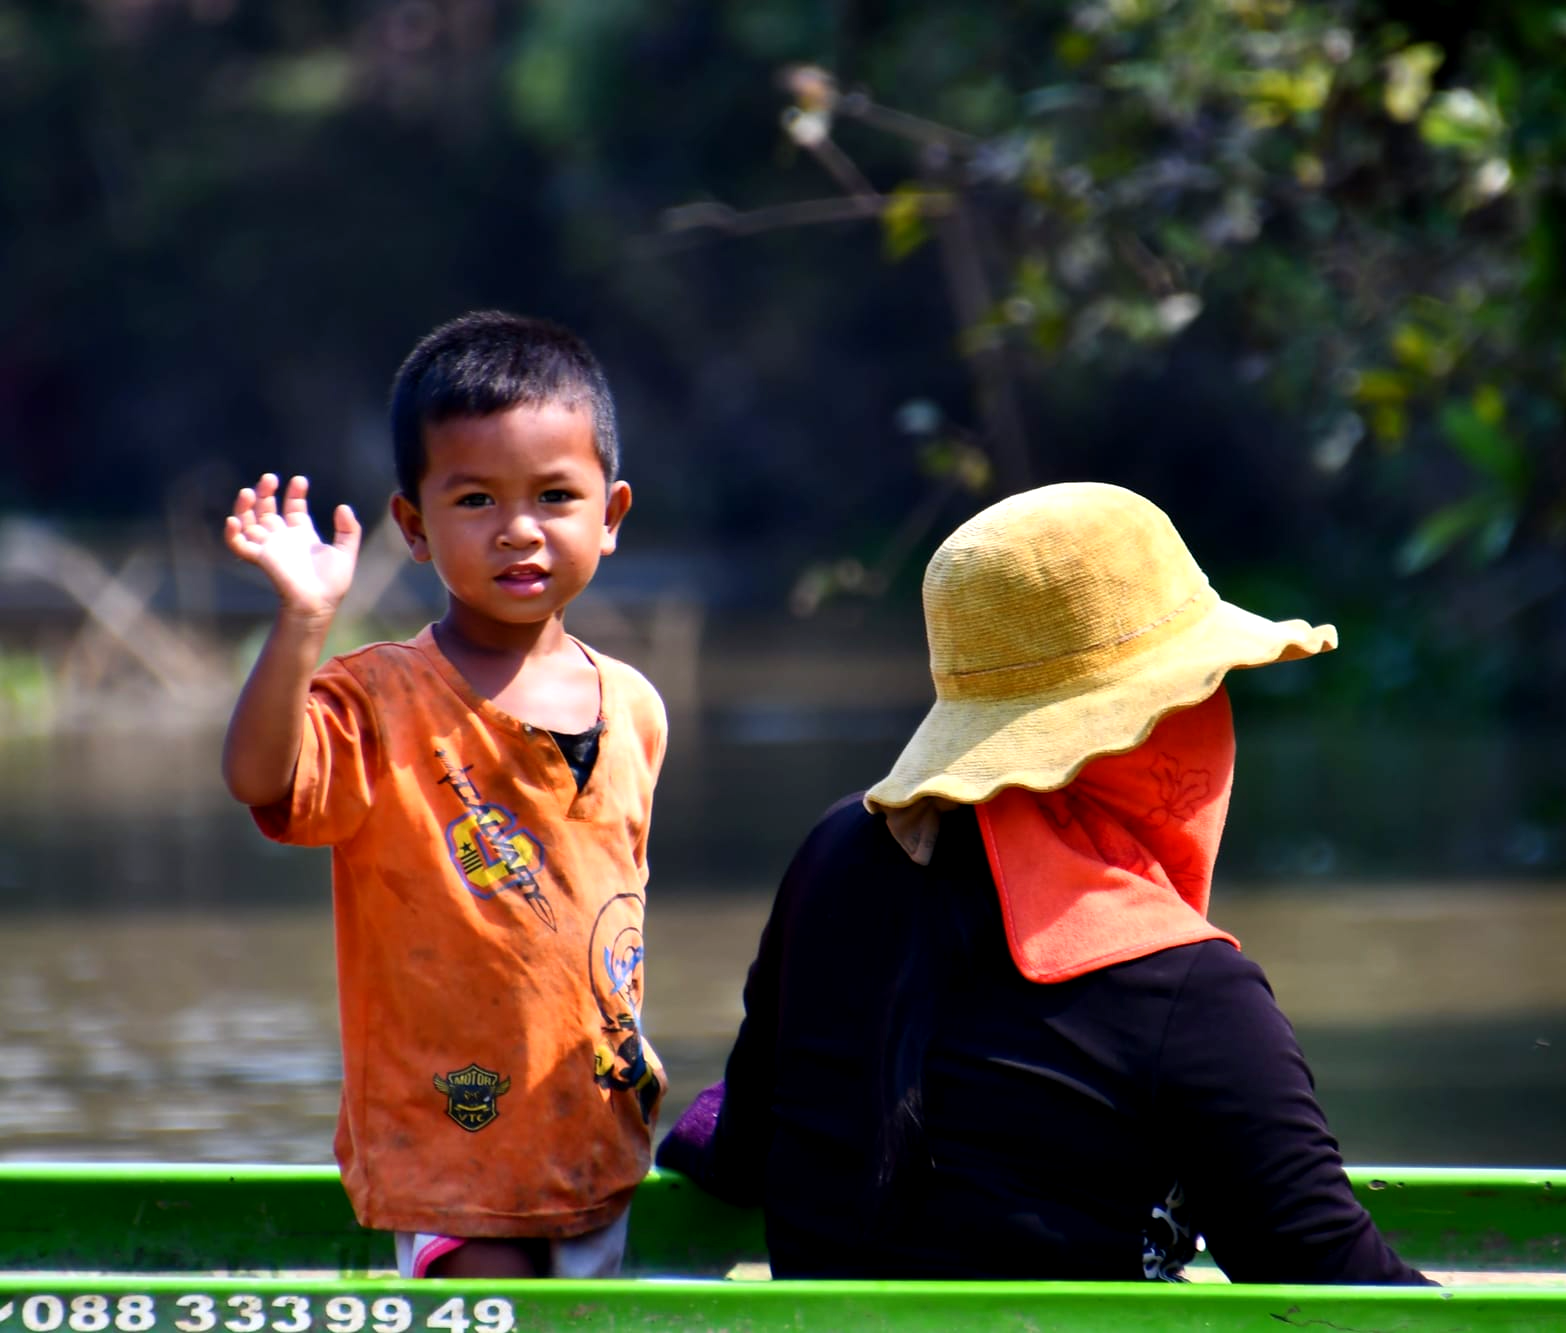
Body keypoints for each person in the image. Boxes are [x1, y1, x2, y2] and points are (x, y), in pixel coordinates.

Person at [660, 482, 1430, 1284]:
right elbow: (1352, 1300)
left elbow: (744, 1145)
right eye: (1208, 685)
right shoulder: (1195, 995)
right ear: (1152, 730)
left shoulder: (834, 853)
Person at [221, 311, 668, 1279]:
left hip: (594, 1124)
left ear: (611, 515)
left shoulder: (633, 705)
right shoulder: (378, 700)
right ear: (415, 527)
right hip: (451, 1139)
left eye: (555, 495)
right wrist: (303, 620)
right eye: (475, 499)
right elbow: (262, 779)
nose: (518, 529)